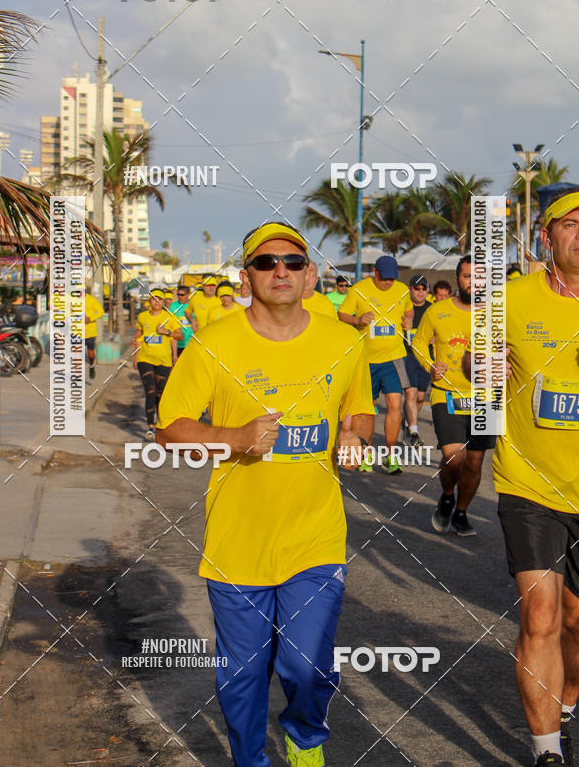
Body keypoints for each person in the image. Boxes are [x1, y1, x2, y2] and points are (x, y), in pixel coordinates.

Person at [157, 221, 374, 767]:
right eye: (266, 262)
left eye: (294, 262)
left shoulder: (344, 342)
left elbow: (361, 409)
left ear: (310, 275)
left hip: (314, 538)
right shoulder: (214, 343)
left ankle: (304, 739)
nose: (281, 270)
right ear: (246, 275)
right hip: (238, 543)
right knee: (244, 676)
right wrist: (233, 438)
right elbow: (169, 428)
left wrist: (356, 434)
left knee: (305, 665)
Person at [465, 190, 579, 766]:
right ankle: (547, 751)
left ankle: (567, 695)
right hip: (528, 485)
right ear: (546, 237)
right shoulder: (507, 298)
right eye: (572, 224)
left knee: (577, 624)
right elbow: (473, 367)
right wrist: (480, 365)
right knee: (541, 615)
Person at [413, 255, 495, 537]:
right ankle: (447, 495)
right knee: (454, 456)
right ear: (457, 278)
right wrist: (430, 365)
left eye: (478, 277)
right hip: (446, 394)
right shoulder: (438, 312)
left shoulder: (495, 315)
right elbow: (419, 343)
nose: (473, 282)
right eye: (467, 276)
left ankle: (460, 512)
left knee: (474, 462)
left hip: (485, 399)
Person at [338, 255, 413, 473]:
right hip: (366, 360)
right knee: (367, 409)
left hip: (394, 356)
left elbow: (409, 309)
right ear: (376, 274)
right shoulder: (359, 289)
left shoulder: (401, 290)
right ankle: (366, 454)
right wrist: (357, 321)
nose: (389, 282)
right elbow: (342, 314)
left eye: (392, 278)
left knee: (394, 405)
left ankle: (390, 456)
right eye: (385, 278)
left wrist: (409, 319)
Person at [133, 288, 183, 440]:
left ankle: (160, 424)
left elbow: (179, 336)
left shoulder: (169, 317)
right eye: (154, 299)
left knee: (160, 393)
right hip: (145, 358)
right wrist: (135, 356)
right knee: (150, 389)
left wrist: (165, 332)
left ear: (163, 302)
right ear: (150, 301)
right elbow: (138, 334)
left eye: (160, 299)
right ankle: (150, 427)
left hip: (163, 360)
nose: (157, 301)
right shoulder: (142, 316)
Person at [402, 274, 432, 447]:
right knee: (411, 393)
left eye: (424, 289)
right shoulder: (403, 307)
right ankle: (414, 432)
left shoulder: (432, 309)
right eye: (417, 288)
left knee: (420, 396)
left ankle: (407, 422)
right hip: (407, 355)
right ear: (410, 289)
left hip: (425, 356)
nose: (420, 292)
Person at [84, 286, 104, 380]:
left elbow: (101, 312)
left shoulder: (91, 300)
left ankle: (92, 366)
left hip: (90, 332)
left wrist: (90, 319)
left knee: (90, 354)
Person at [168, 284, 194, 355]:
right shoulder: (173, 306)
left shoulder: (193, 304)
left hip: (191, 342)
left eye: (182, 295)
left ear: (188, 295)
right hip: (178, 344)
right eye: (178, 294)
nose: (179, 297)